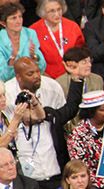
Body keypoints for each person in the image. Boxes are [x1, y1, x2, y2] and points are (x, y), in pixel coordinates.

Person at [10, 57, 84, 189]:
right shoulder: (8, 100)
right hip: (27, 181)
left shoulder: (50, 116)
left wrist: (75, 78)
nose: (37, 76)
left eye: (38, 72)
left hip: (55, 178)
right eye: (30, 73)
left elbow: (71, 108)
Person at [66, 90, 104, 188]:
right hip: (93, 183)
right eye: (103, 109)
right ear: (91, 112)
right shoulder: (77, 135)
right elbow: (80, 168)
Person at [29, 0, 86, 79]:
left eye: (59, 9)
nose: (57, 14)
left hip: (73, 75)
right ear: (42, 13)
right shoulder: (33, 31)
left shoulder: (72, 26)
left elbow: (82, 52)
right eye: (52, 11)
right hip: (46, 78)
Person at [0, 2, 46, 81]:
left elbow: (42, 67)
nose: (18, 21)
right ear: (3, 23)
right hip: (9, 83)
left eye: (20, 17)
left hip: (31, 80)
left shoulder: (30, 33)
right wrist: (12, 61)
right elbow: (3, 76)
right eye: (14, 18)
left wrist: (34, 56)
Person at [0, 81, 28, 155]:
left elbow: (39, 117)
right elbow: (1, 146)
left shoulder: (5, 114)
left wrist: (34, 101)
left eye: (4, 95)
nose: (3, 99)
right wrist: (15, 120)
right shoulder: (13, 116)